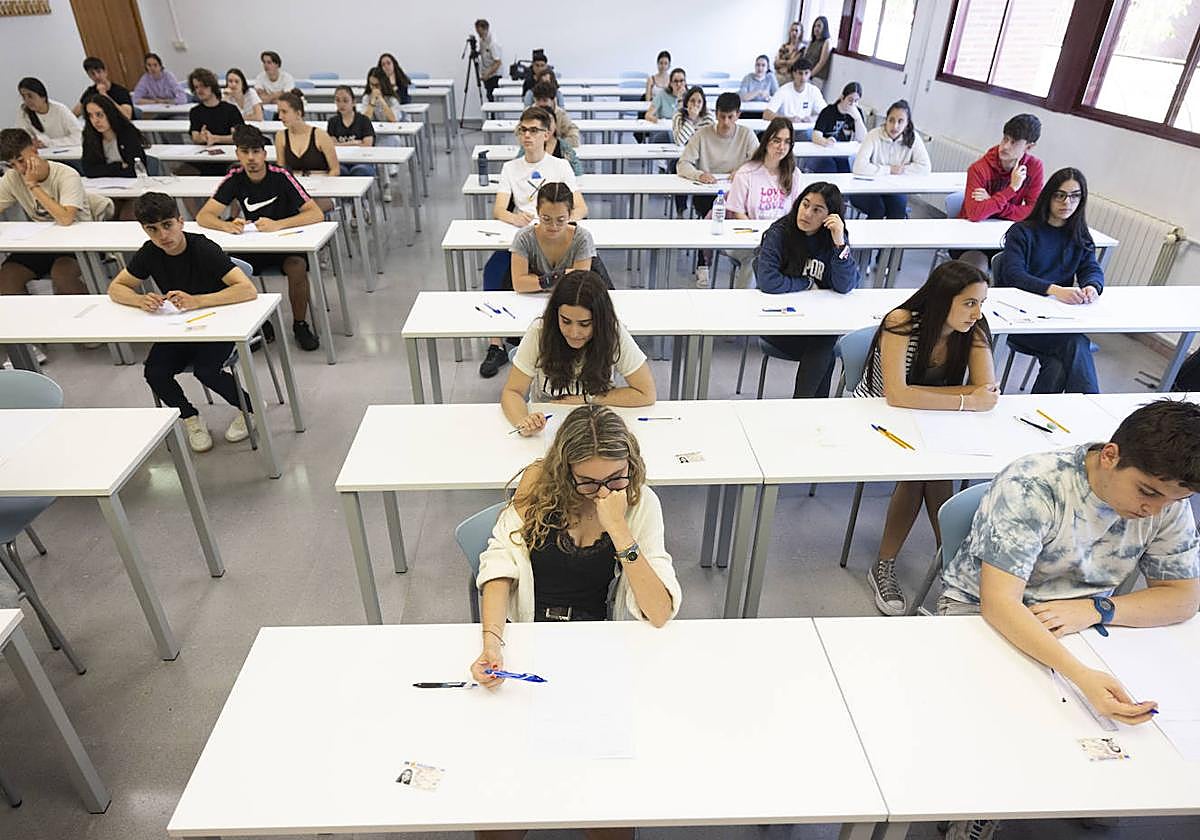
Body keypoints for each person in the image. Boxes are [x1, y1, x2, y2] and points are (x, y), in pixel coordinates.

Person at [937, 398, 1200, 840]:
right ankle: (982, 800)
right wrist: (1079, 672)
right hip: (982, 610)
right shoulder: (1036, 483)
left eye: (1177, 499)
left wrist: (1098, 609)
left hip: (1081, 618)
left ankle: (1088, 782)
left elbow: (1183, 598)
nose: (1153, 510)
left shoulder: (1166, 501)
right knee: (1023, 706)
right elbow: (999, 603)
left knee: (1138, 699)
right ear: (1111, 455)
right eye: (1147, 492)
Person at [471, 406, 680, 683]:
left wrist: (619, 530)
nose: (604, 493)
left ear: (631, 463)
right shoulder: (538, 485)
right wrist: (492, 643)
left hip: (597, 637)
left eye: (616, 477)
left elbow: (659, 611)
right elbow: (499, 564)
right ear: (566, 472)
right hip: (529, 629)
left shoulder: (640, 503)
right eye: (588, 483)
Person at [852, 261, 999, 615]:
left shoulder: (974, 329)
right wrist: (964, 399)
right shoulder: (902, 322)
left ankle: (928, 563)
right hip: (875, 419)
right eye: (969, 303)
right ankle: (945, 564)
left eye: (981, 303)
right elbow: (896, 396)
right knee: (925, 471)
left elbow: (988, 390)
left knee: (928, 469)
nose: (977, 313)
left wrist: (951, 398)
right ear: (942, 299)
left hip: (934, 418)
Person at [107, 192, 258, 453]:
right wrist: (139, 299)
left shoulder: (203, 248)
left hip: (218, 323)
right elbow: (116, 287)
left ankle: (250, 408)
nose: (163, 235)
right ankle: (189, 416)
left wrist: (198, 301)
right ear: (144, 230)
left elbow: (247, 290)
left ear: (180, 221)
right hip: (179, 326)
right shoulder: (150, 252)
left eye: (167, 225)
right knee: (154, 372)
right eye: (152, 229)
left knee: (206, 371)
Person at [196, 125, 323, 351]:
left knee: (297, 266)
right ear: (238, 154)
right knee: (228, 268)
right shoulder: (234, 177)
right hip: (254, 244)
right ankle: (258, 323)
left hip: (287, 243)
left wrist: (278, 225)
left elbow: (315, 213)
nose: (251, 158)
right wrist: (226, 225)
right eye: (245, 152)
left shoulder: (281, 176)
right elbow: (204, 215)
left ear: (265, 154)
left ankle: (300, 324)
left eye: (256, 152)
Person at [480, 108, 587, 378]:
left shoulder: (560, 166)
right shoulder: (510, 168)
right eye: (523, 130)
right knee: (493, 272)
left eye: (533, 130)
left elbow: (581, 208)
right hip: (525, 235)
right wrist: (515, 218)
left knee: (587, 274)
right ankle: (496, 344)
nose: (527, 136)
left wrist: (559, 224)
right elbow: (499, 210)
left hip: (555, 233)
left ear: (547, 134)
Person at [502, 271, 656, 436]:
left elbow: (646, 393)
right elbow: (512, 392)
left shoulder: (613, 332)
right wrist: (524, 421)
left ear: (600, 320)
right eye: (565, 321)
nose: (574, 333)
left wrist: (588, 399)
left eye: (585, 324)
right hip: (548, 425)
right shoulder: (540, 331)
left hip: (597, 423)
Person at [994, 167, 1103, 395]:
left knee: (1058, 364)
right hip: (1020, 320)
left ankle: (1037, 417)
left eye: (1075, 196)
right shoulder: (1022, 232)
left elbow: (1091, 268)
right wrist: (1055, 290)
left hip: (1056, 319)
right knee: (1075, 343)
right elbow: (1014, 275)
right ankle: (1092, 406)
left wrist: (1092, 286)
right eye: (1060, 195)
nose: (1067, 202)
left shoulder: (1079, 235)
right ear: (1049, 196)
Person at [755, 182, 860, 398]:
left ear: (830, 217)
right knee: (824, 347)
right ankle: (807, 409)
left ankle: (804, 408)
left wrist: (840, 244)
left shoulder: (834, 237)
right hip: (777, 324)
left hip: (815, 324)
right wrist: (805, 283)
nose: (807, 213)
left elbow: (846, 285)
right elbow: (768, 281)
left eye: (817, 210)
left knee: (823, 344)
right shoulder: (779, 233)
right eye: (805, 204)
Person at [0, 128, 110, 297]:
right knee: (6, 279)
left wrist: (33, 185)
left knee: (62, 277)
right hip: (44, 242)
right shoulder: (12, 177)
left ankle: (90, 320)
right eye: (11, 165)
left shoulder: (66, 175)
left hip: (80, 242)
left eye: (21, 161)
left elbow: (66, 218)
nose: (19, 169)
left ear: (34, 151)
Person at [677, 91, 758, 284]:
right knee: (709, 214)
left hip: (737, 192)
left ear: (738, 115)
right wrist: (699, 174)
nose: (726, 122)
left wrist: (741, 170)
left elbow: (758, 162)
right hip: (706, 192)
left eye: (731, 117)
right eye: (722, 117)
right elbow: (683, 164)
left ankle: (746, 257)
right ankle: (703, 262)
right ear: (716, 114)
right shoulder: (702, 135)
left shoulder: (747, 134)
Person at [955, 113, 1044, 271]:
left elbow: (1035, 211)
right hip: (970, 239)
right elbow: (975, 214)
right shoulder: (979, 169)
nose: (1005, 146)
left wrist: (992, 202)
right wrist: (1011, 190)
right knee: (978, 270)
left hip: (1006, 235)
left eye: (1014, 142)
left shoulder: (1034, 167)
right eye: (1005, 139)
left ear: (1029, 147)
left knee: (1033, 266)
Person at [725, 117, 802, 288]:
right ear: (766, 141)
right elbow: (738, 213)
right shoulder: (747, 173)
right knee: (758, 258)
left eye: (787, 142)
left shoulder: (794, 174)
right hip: (747, 237)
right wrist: (764, 237)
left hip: (782, 238)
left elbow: (796, 213)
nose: (781, 147)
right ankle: (746, 307)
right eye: (776, 141)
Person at [509, 182, 597, 294]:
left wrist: (537, 281)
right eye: (546, 219)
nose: (553, 226)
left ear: (570, 215)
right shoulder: (524, 238)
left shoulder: (582, 238)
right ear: (537, 212)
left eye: (560, 220)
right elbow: (519, 284)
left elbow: (579, 285)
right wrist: (560, 277)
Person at [849, 99, 930, 219]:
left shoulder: (913, 138)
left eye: (900, 121)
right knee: (878, 208)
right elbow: (859, 167)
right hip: (866, 188)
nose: (895, 126)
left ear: (907, 124)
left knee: (897, 208)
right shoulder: (873, 135)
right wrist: (890, 170)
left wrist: (902, 170)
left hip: (894, 188)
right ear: (886, 120)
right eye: (891, 120)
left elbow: (925, 168)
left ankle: (891, 238)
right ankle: (870, 238)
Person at [80, 94, 149, 220]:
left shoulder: (127, 133)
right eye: (90, 116)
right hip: (105, 193)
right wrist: (118, 166)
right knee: (98, 212)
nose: (95, 121)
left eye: (99, 114)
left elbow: (136, 170)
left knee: (125, 216)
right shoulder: (90, 137)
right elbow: (89, 170)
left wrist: (104, 169)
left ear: (109, 113)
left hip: (133, 191)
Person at [186, 67, 245, 177]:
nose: (200, 90)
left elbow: (238, 137)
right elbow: (195, 136)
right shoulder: (195, 112)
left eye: (203, 86)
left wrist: (216, 138)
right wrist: (202, 138)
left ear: (211, 86)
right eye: (196, 87)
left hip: (230, 158)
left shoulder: (230, 110)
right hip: (206, 158)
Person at [810, 82, 867, 173]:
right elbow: (815, 135)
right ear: (842, 97)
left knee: (847, 170)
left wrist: (857, 119)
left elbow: (862, 139)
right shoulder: (828, 111)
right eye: (850, 100)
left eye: (856, 101)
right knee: (830, 167)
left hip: (843, 153)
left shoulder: (857, 113)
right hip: (825, 152)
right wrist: (825, 141)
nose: (852, 104)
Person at [15, 77, 81, 149]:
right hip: (41, 155)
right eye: (23, 97)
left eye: (30, 96)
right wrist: (31, 143)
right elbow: (21, 137)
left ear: (43, 97)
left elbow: (79, 137)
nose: (27, 101)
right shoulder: (23, 112)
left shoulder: (60, 110)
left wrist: (50, 143)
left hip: (67, 154)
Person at [326, 85, 376, 177]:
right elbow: (331, 145)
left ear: (353, 102)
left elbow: (367, 145)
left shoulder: (364, 120)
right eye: (338, 100)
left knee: (360, 171)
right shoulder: (333, 122)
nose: (341, 104)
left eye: (345, 101)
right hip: (340, 160)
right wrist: (355, 143)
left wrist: (340, 145)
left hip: (362, 160)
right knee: (338, 171)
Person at [762, 58, 826, 126]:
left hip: (804, 129)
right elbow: (766, 114)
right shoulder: (783, 90)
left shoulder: (814, 90)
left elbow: (826, 113)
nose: (803, 77)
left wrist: (813, 119)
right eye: (800, 73)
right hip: (786, 128)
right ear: (794, 73)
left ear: (810, 74)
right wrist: (788, 119)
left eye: (806, 73)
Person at [531, 80, 580, 147]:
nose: (541, 104)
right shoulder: (528, 114)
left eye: (545, 100)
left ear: (553, 100)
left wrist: (553, 144)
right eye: (538, 100)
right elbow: (520, 135)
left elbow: (574, 139)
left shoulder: (561, 115)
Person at [803, 16, 833, 93]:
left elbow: (821, 62)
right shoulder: (812, 41)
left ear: (824, 28)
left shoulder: (827, 42)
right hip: (806, 74)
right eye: (815, 26)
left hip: (817, 77)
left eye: (819, 26)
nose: (816, 28)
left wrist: (809, 75)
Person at [475, 19, 503, 102]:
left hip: (494, 76)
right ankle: (491, 115)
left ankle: (494, 115)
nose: (478, 34)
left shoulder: (493, 43)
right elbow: (482, 52)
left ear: (485, 29)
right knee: (489, 97)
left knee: (494, 99)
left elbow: (498, 62)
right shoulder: (482, 40)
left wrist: (487, 74)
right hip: (486, 73)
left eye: (479, 31)